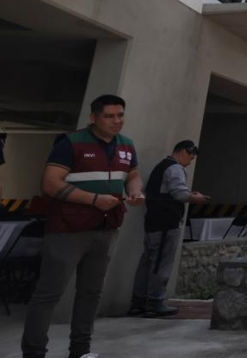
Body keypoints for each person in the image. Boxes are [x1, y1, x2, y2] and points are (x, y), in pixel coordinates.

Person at [22, 94, 145, 358]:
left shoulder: (126, 145)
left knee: (90, 293)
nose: (116, 121)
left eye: (120, 115)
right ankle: (33, 353)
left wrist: (135, 192)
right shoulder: (71, 143)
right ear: (93, 118)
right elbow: (50, 183)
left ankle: (81, 351)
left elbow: (133, 175)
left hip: (106, 229)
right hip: (68, 229)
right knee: (49, 294)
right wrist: (93, 200)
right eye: (109, 116)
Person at [128, 140, 209, 318]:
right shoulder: (175, 169)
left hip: (153, 222)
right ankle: (155, 302)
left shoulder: (160, 167)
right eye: (191, 157)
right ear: (184, 152)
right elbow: (179, 194)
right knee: (160, 263)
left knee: (147, 261)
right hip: (166, 223)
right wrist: (195, 198)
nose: (190, 162)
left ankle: (138, 302)